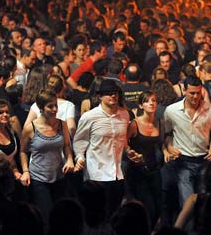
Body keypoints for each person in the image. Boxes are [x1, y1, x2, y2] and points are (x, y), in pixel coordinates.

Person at [73, 79, 129, 218]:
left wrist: (129, 151)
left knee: (114, 213)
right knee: (96, 214)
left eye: (115, 93)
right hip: (96, 174)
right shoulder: (89, 117)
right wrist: (79, 157)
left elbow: (123, 141)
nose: (112, 96)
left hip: (117, 174)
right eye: (108, 93)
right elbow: (79, 140)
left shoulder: (125, 115)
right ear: (100, 96)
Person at [164, 76, 211, 209]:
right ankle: (187, 230)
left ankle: (202, 229)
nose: (195, 96)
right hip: (183, 161)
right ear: (184, 91)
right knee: (187, 202)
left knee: (204, 202)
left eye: (198, 93)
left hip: (204, 160)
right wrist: (170, 147)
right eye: (192, 93)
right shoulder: (171, 111)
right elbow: (167, 135)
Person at [20, 90, 74, 227]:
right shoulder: (30, 128)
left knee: (61, 217)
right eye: (50, 106)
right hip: (39, 178)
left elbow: (67, 145)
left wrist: (69, 159)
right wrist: (25, 171)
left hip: (59, 177)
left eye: (56, 105)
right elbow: (23, 151)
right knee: (46, 217)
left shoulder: (62, 124)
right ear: (41, 108)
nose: (55, 109)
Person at [125, 90, 163, 227]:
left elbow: (164, 143)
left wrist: (169, 150)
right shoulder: (134, 124)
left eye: (153, 100)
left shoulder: (160, 122)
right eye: (147, 101)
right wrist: (130, 151)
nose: (151, 103)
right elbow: (123, 142)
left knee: (159, 207)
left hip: (155, 170)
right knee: (148, 207)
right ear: (141, 106)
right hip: (137, 170)